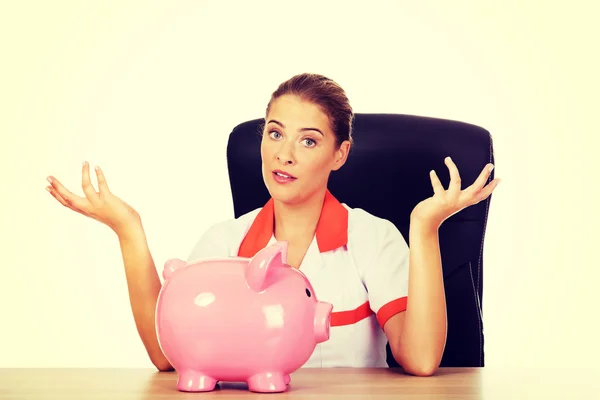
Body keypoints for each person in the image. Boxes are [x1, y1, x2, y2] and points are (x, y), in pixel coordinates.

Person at [45, 73, 500, 376]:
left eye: (308, 140)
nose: (284, 154)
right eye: (275, 132)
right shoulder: (224, 242)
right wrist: (129, 230)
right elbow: (169, 357)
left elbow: (420, 360)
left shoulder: (371, 238)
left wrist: (423, 229)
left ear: (339, 154)